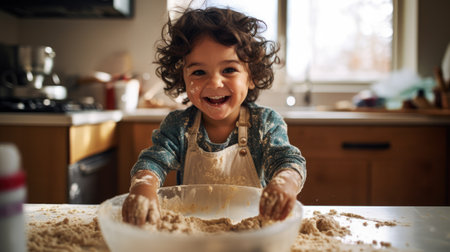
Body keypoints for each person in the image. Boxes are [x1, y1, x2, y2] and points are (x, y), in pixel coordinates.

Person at [122, 7, 306, 226]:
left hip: (252, 229)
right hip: (194, 230)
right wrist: (144, 188)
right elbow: (154, 161)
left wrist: (284, 184)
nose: (215, 83)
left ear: (251, 76)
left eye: (229, 70)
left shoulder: (264, 124)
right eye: (199, 72)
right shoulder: (179, 126)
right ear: (183, 78)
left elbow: (287, 160)